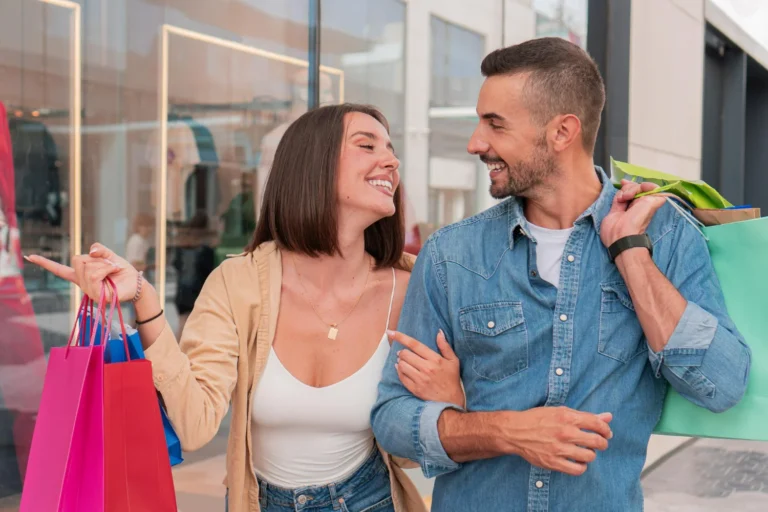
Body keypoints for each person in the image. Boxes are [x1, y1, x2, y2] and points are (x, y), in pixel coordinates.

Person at [372, 37, 752, 512]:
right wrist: (505, 430)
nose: (475, 143)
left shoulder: (666, 236)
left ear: (562, 131)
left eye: (495, 124)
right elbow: (392, 420)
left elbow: (723, 384)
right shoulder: (452, 254)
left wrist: (630, 253)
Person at [26, 104, 464, 512]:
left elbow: (410, 456)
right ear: (313, 164)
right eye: (367, 145)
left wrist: (449, 401)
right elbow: (196, 425)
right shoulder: (238, 284)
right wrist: (146, 298)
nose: (391, 161)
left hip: (369, 499)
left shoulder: (413, 286)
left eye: (391, 150)